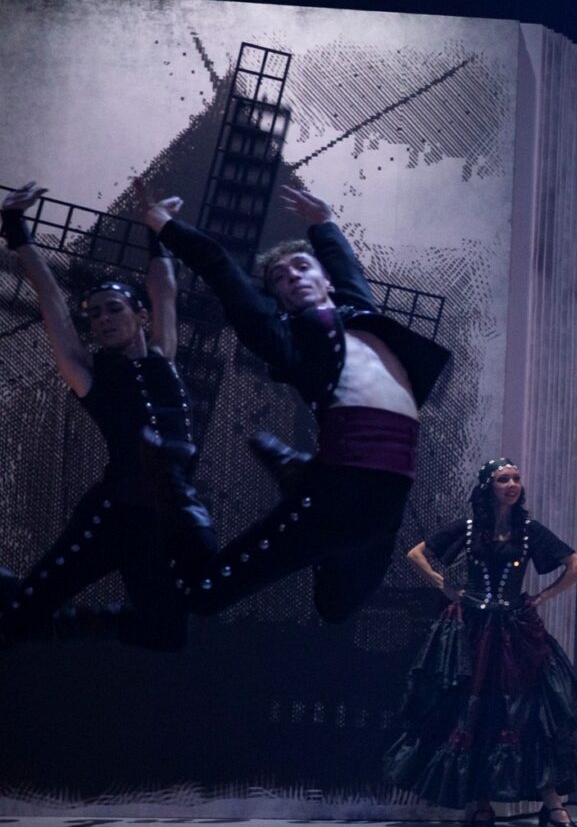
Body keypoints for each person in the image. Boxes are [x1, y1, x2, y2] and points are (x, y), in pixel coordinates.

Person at [144, 185, 450, 622]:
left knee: (336, 608)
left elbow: (348, 272)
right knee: (203, 594)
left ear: (326, 281)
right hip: (335, 494)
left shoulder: (359, 315)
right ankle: (185, 507)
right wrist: (163, 226)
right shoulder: (287, 339)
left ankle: (298, 472)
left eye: (302, 267)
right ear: (280, 299)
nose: (292, 277)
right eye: (280, 279)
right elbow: (220, 269)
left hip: (387, 503)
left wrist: (324, 224)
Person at [0, 184, 213, 650]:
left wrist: (156, 231)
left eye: (112, 309)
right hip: (113, 515)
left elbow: (165, 290)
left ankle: (64, 624)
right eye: (94, 315)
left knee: (168, 634)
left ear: (140, 316)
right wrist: (16, 229)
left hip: (160, 525)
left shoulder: (163, 356)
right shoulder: (90, 375)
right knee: (16, 621)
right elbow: (50, 297)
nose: (101, 320)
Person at [384, 459, 577, 827]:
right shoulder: (468, 529)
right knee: (473, 710)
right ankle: (481, 803)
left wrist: (542, 597)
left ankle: (553, 805)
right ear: (487, 487)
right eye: (503, 479)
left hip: (514, 631)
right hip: (472, 629)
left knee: (527, 712)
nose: (512, 484)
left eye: (516, 478)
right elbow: (415, 554)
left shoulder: (528, 531)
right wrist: (445, 586)